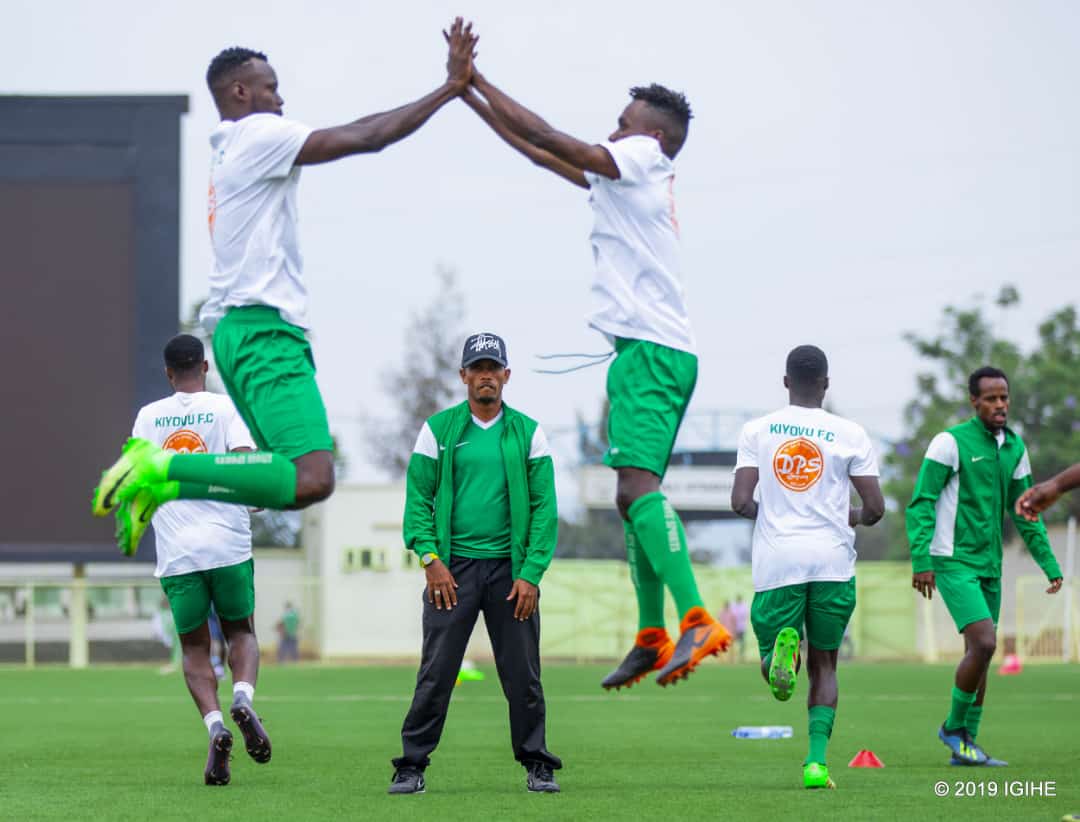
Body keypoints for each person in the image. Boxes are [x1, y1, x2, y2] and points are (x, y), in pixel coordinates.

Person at [91, 20, 479, 553]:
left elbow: (359, 129)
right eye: (270, 87)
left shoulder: (228, 147)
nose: (280, 99)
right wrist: (450, 89)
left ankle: (164, 483)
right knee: (312, 476)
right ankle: (160, 465)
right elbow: (368, 137)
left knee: (283, 482)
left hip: (236, 333)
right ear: (240, 92)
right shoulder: (257, 135)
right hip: (264, 331)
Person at [460, 69, 729, 690]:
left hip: (653, 353)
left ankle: (696, 619)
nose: (614, 131)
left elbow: (553, 136)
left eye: (623, 123)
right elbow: (541, 151)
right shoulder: (626, 177)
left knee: (638, 491)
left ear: (651, 136)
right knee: (629, 495)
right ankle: (651, 634)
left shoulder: (642, 158)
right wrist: (467, 96)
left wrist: (479, 79)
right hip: (646, 353)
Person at [389, 333, 561, 795]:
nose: (486, 376)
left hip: (511, 574)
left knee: (523, 676)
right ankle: (411, 765)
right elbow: (417, 501)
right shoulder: (438, 430)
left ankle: (537, 763)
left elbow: (545, 509)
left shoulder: (528, 433)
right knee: (436, 673)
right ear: (464, 375)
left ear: (507, 375)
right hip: (451, 573)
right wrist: (430, 559)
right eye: (478, 368)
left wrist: (531, 573)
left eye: (493, 368)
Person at [731, 345, 884, 790]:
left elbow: (740, 501)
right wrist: (848, 516)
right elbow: (875, 508)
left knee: (774, 660)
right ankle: (816, 765)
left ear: (785, 382)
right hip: (833, 560)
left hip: (780, 558)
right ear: (826, 384)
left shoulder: (758, 430)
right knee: (826, 665)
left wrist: (773, 514)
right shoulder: (850, 433)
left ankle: (779, 659)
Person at [129, 334, 272, 786]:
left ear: (168, 373)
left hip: (178, 552)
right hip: (228, 544)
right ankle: (243, 698)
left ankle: (215, 726)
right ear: (205, 367)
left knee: (194, 648)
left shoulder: (148, 417)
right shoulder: (226, 408)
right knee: (241, 632)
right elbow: (247, 466)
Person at [907, 366, 1063, 767]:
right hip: (952, 560)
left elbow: (1027, 509)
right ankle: (952, 728)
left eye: (1004, 397)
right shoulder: (949, 443)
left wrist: (1048, 563)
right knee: (986, 642)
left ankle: (966, 745)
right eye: (991, 398)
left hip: (990, 565)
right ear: (973, 401)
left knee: (980, 652)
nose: (1000, 405)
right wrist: (921, 560)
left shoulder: (1015, 447)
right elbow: (922, 503)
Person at [730, 594, 750, 658]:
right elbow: (732, 616)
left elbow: (746, 615)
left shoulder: (744, 606)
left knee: (742, 642)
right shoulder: (733, 605)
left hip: (742, 627)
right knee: (732, 642)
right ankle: (732, 656)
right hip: (734, 628)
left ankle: (741, 655)